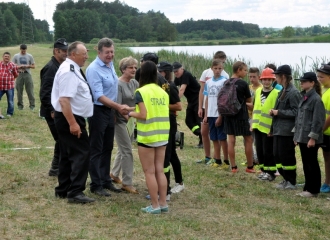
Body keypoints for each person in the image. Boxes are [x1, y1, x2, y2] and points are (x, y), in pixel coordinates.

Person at [51, 41, 95, 204]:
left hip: (70, 117)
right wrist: (73, 124)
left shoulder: (72, 69)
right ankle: (76, 191)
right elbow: (64, 100)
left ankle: (63, 189)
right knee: (82, 152)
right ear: (73, 54)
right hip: (70, 118)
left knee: (67, 154)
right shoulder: (69, 71)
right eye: (84, 54)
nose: (86, 57)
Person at [86, 38, 127, 197]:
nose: (110, 55)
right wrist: (118, 107)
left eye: (112, 52)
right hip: (98, 111)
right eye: (107, 52)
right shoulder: (94, 69)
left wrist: (114, 111)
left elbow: (113, 89)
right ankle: (95, 184)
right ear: (99, 52)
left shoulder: (109, 66)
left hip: (110, 111)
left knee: (108, 147)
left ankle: (105, 180)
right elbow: (98, 95)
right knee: (96, 148)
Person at [128, 60, 170, 214]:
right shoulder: (163, 92)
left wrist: (129, 113)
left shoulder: (141, 92)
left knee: (149, 172)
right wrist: (134, 108)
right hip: (162, 134)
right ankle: (163, 202)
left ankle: (154, 205)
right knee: (160, 170)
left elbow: (143, 115)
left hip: (147, 136)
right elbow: (154, 110)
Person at [110, 56, 139, 194]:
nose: (133, 70)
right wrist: (129, 116)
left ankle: (114, 174)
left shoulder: (134, 83)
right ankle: (127, 183)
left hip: (131, 120)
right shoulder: (118, 84)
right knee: (127, 151)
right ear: (123, 69)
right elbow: (119, 107)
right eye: (130, 67)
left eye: (135, 67)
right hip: (120, 121)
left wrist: (133, 116)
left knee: (124, 148)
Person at [40, 38, 68, 176]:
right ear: (56, 51)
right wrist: (51, 109)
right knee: (61, 139)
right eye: (63, 51)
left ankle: (55, 168)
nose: (66, 53)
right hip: (52, 111)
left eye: (67, 50)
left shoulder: (60, 65)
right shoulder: (51, 68)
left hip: (58, 109)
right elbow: (44, 93)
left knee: (62, 139)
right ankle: (56, 168)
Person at [293, 72, 324, 197]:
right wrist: (296, 135)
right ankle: (308, 187)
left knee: (312, 163)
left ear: (312, 83)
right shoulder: (304, 97)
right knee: (306, 163)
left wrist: (312, 138)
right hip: (302, 136)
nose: (301, 83)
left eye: (304, 81)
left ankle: (314, 190)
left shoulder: (316, 99)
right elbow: (299, 118)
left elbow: (318, 121)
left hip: (310, 138)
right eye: (301, 81)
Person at [270, 65, 300, 190]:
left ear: (283, 77)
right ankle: (285, 178)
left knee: (286, 156)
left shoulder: (293, 92)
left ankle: (291, 180)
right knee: (277, 155)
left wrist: (279, 112)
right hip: (278, 129)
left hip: (287, 131)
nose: (275, 79)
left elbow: (296, 112)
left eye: (276, 76)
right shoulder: (283, 90)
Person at [157, 61, 184, 195]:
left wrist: (160, 106)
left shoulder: (171, 87)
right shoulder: (160, 86)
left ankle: (175, 184)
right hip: (163, 122)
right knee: (171, 153)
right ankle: (177, 182)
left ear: (166, 73)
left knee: (169, 154)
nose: (158, 74)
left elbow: (179, 106)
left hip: (170, 122)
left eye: (160, 71)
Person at [222, 61, 255, 173]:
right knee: (248, 139)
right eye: (245, 70)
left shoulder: (226, 82)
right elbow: (249, 101)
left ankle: (234, 167)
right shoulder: (243, 84)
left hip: (227, 114)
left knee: (231, 140)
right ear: (239, 70)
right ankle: (250, 166)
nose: (246, 72)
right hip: (240, 115)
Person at [197, 51, 229, 164]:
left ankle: (226, 160)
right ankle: (217, 160)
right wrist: (205, 113)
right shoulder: (208, 81)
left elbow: (225, 100)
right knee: (214, 137)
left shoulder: (225, 80)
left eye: (220, 68)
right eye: (215, 68)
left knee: (222, 137)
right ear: (212, 68)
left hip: (219, 113)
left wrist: (221, 115)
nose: (218, 70)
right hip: (210, 113)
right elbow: (206, 96)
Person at [251, 68, 279, 181]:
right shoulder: (258, 91)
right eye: (264, 80)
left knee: (268, 151)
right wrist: (252, 124)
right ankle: (263, 171)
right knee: (260, 150)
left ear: (272, 80)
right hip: (257, 126)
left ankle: (271, 172)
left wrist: (272, 129)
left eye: (269, 80)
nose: (266, 82)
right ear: (261, 80)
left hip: (268, 128)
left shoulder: (276, 93)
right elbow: (255, 108)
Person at [173, 61, 202, 148]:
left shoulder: (186, 75)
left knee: (198, 120)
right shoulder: (178, 77)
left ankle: (203, 141)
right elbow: (173, 87)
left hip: (198, 99)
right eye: (174, 72)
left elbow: (182, 89)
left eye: (177, 71)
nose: (175, 73)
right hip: (190, 100)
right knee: (188, 120)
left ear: (182, 68)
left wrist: (175, 101)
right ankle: (201, 133)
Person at [316, 62, 330, 196]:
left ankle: (327, 182)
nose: (319, 79)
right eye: (318, 77)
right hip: (324, 131)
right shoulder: (324, 90)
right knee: (326, 157)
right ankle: (327, 181)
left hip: (327, 131)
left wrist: (320, 131)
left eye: (322, 77)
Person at [12, 44, 35, 110]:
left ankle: (32, 105)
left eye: (24, 51)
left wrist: (27, 66)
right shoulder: (16, 56)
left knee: (30, 90)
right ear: (20, 49)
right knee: (19, 90)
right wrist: (19, 66)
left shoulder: (29, 56)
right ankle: (20, 105)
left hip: (27, 73)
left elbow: (33, 66)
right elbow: (12, 65)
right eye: (22, 50)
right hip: (19, 73)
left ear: (26, 49)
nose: (23, 52)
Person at [0, 52, 18, 119]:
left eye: (8, 56)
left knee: (10, 101)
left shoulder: (13, 65)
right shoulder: (0, 64)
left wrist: (10, 80)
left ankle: (9, 113)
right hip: (0, 86)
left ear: (10, 57)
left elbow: (16, 74)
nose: (6, 57)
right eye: (5, 56)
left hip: (9, 86)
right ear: (3, 57)